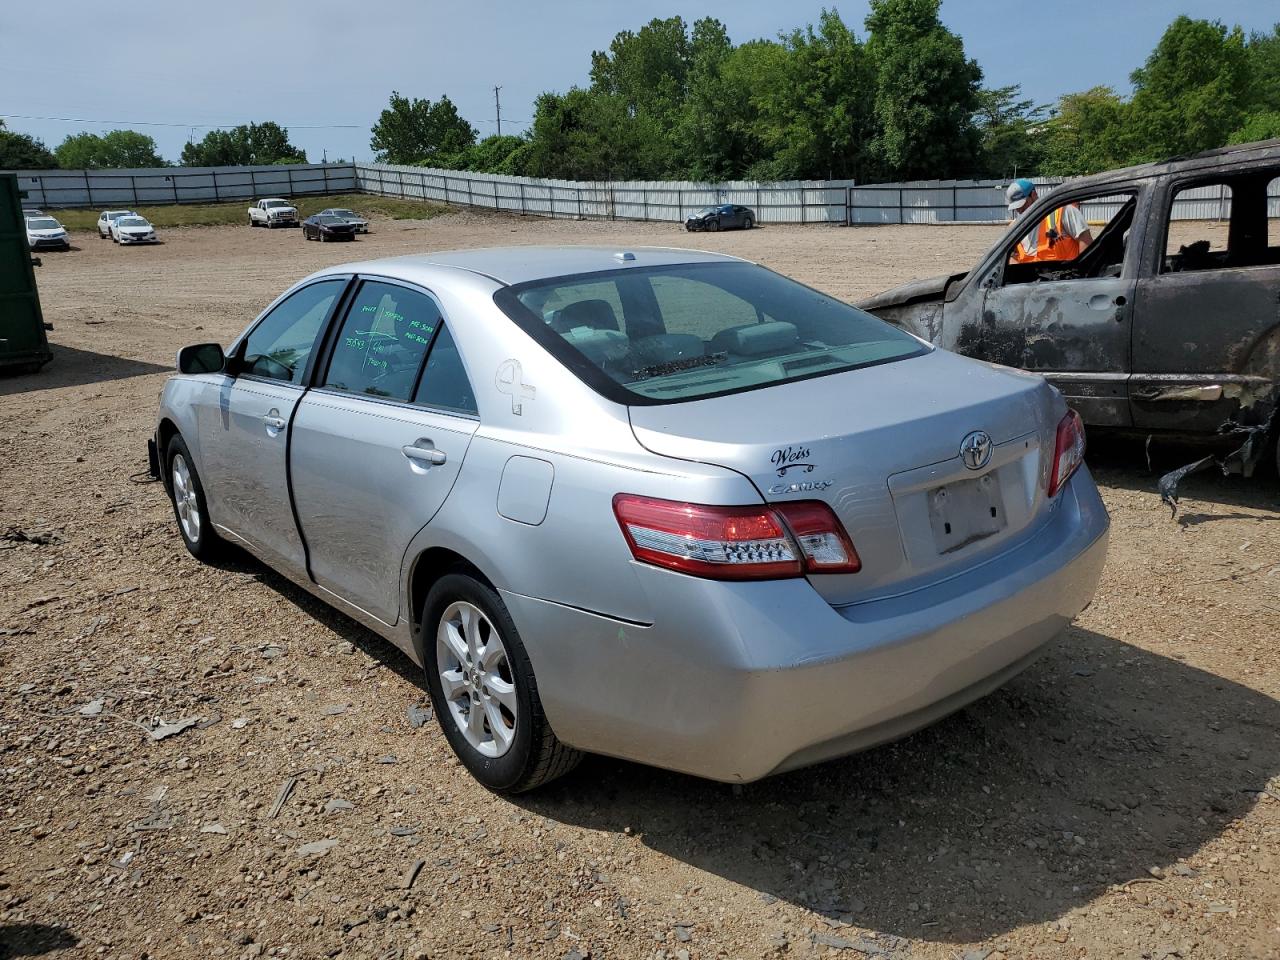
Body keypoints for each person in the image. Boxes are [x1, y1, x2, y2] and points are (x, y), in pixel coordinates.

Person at [1005, 178, 1092, 263]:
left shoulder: (1063, 211)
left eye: (1023, 204)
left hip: (1067, 275)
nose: (1020, 209)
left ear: (1033, 194)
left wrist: (1083, 271)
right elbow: (1007, 256)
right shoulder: (1015, 227)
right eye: (1016, 207)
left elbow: (1086, 241)